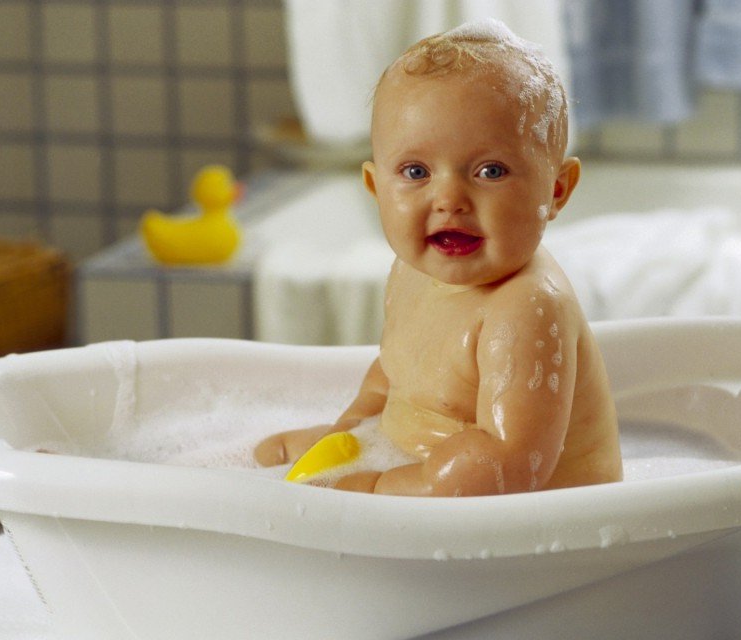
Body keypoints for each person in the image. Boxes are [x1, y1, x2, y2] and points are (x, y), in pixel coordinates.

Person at [254, 19, 621, 496]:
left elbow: (510, 464)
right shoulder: (411, 270)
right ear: (375, 189)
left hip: (544, 520)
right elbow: (392, 373)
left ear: (555, 190)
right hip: (423, 465)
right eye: (415, 171)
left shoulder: (526, 308)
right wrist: (350, 428)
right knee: (269, 454)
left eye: (490, 171)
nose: (448, 198)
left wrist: (378, 486)